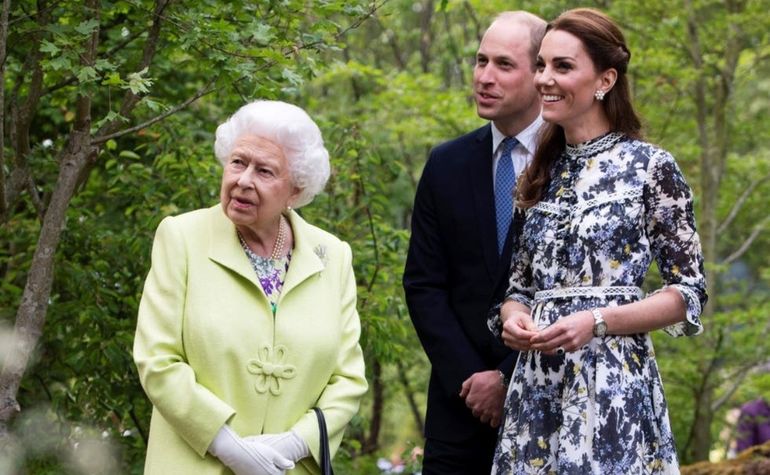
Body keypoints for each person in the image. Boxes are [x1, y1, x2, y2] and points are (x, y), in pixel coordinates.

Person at [487, 8, 708, 474]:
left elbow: (687, 293)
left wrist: (598, 320)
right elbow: (518, 289)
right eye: (542, 65)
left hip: (612, 388)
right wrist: (515, 319)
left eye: (563, 67)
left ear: (605, 79)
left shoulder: (650, 167)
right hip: (536, 392)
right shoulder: (538, 172)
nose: (545, 78)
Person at [133, 100, 368, 474]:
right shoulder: (182, 237)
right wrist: (229, 446)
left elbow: (348, 379)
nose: (243, 180)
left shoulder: (332, 256)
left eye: (264, 171)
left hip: (288, 467)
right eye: (238, 162)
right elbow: (158, 361)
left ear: (295, 190)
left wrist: (294, 443)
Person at [403, 11, 546, 474]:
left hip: (549, 406)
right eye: (480, 61)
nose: (484, 77)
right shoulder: (446, 163)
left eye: (504, 65)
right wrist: (475, 381)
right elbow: (423, 285)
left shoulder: (573, 164)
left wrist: (507, 378)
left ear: (539, 72)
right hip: (456, 412)